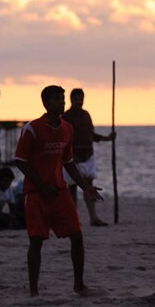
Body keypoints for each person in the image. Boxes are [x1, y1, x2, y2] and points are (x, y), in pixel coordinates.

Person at [14, 85, 102, 296]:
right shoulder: (32, 129)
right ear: (45, 103)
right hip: (36, 194)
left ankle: (79, 285)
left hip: (59, 191)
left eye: (62, 99)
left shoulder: (67, 128)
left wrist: (85, 187)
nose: (61, 102)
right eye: (57, 99)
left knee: (77, 236)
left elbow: (68, 161)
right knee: (36, 241)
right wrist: (42, 185)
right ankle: (34, 291)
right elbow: (20, 161)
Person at [62, 88, 115, 227]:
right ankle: (74, 219)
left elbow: (91, 134)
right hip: (74, 157)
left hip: (88, 155)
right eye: (76, 99)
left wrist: (107, 138)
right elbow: (64, 138)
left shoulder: (86, 115)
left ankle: (93, 217)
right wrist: (71, 155)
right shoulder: (66, 117)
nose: (79, 102)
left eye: (81, 99)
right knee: (72, 188)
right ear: (71, 100)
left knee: (89, 187)